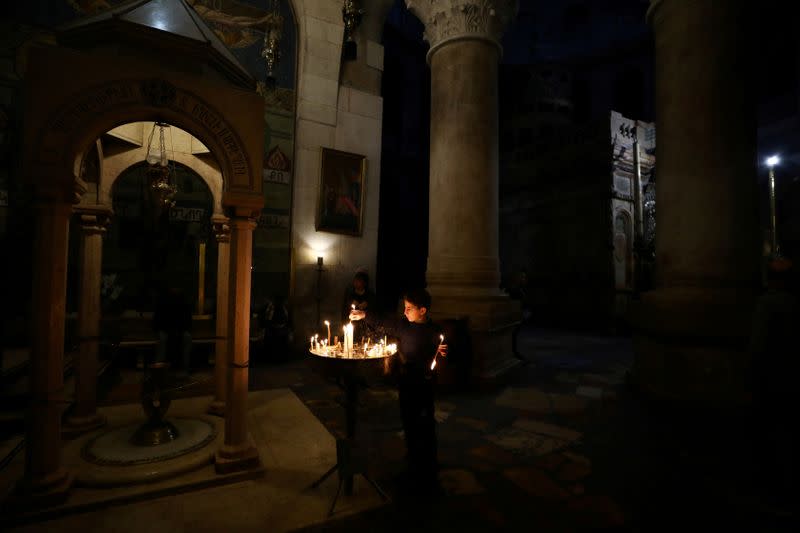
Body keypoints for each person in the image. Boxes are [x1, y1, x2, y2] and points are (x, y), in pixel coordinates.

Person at [350, 288, 447, 494]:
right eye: (404, 308)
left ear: (422, 310)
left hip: (424, 385)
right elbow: (385, 321)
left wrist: (444, 353)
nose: (405, 312)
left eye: (409, 309)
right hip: (407, 383)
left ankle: (428, 468)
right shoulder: (403, 325)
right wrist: (364, 314)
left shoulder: (433, 331)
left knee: (425, 425)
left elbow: (444, 352)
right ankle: (412, 463)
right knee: (409, 424)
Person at [749, 257, 797, 512]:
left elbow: (757, 346)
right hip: (791, 378)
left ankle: (773, 484)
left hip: (771, 378)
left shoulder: (767, 304)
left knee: (770, 430)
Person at [153, 285, 193, 376]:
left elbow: (187, 319)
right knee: (162, 339)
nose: (175, 289)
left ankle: (185, 367)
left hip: (178, 329)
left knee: (187, 338)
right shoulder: (163, 302)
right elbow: (158, 320)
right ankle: (159, 368)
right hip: (166, 329)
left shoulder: (183, 302)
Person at [342, 268, 377, 342]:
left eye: (359, 281)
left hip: (366, 327)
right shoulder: (350, 294)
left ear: (364, 283)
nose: (356, 283)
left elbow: (374, 311)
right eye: (355, 280)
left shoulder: (370, 295)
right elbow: (344, 309)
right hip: (353, 325)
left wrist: (367, 305)